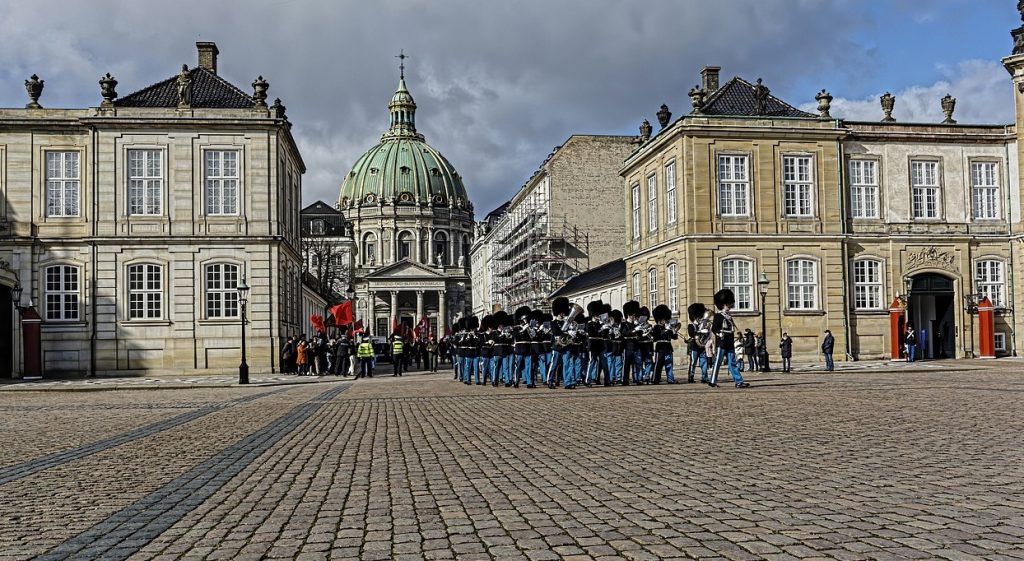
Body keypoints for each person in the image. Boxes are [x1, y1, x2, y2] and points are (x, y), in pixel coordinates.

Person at [709, 289, 750, 388]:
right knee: (718, 362)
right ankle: (712, 381)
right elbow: (714, 329)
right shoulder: (718, 316)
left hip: (729, 342)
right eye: (728, 305)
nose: (729, 307)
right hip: (722, 342)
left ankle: (739, 381)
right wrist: (719, 334)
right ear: (723, 305)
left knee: (732, 363)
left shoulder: (729, 317)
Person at [651, 304, 678, 384]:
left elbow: (674, 337)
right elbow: (655, 337)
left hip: (668, 347)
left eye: (665, 319)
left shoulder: (669, 327)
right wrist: (665, 330)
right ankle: (655, 379)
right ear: (659, 319)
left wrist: (674, 331)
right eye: (662, 319)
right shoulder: (656, 327)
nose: (664, 320)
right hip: (660, 348)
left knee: (669, 365)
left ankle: (670, 379)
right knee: (658, 365)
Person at [686, 303, 709, 384]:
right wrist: (700, 331)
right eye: (699, 317)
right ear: (696, 317)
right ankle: (691, 377)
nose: (701, 318)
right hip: (694, 346)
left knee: (704, 362)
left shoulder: (703, 325)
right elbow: (691, 333)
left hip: (702, 346)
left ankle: (705, 377)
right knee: (693, 363)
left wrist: (706, 332)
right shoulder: (691, 325)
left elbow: (707, 334)